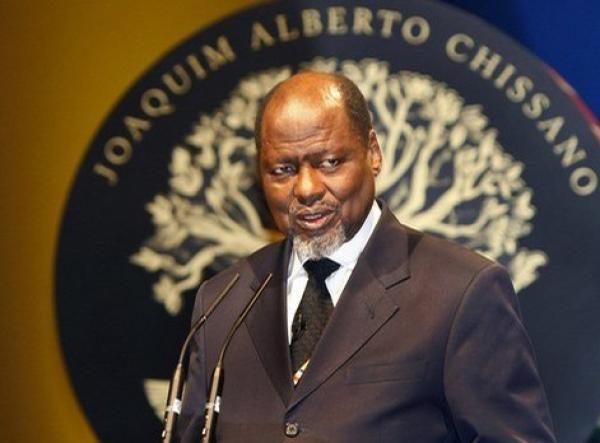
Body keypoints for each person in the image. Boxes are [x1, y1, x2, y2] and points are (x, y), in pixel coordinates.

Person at [177, 71, 556, 442]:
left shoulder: (461, 293)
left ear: (372, 152)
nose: (306, 189)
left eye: (329, 162)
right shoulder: (223, 302)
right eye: (283, 170)